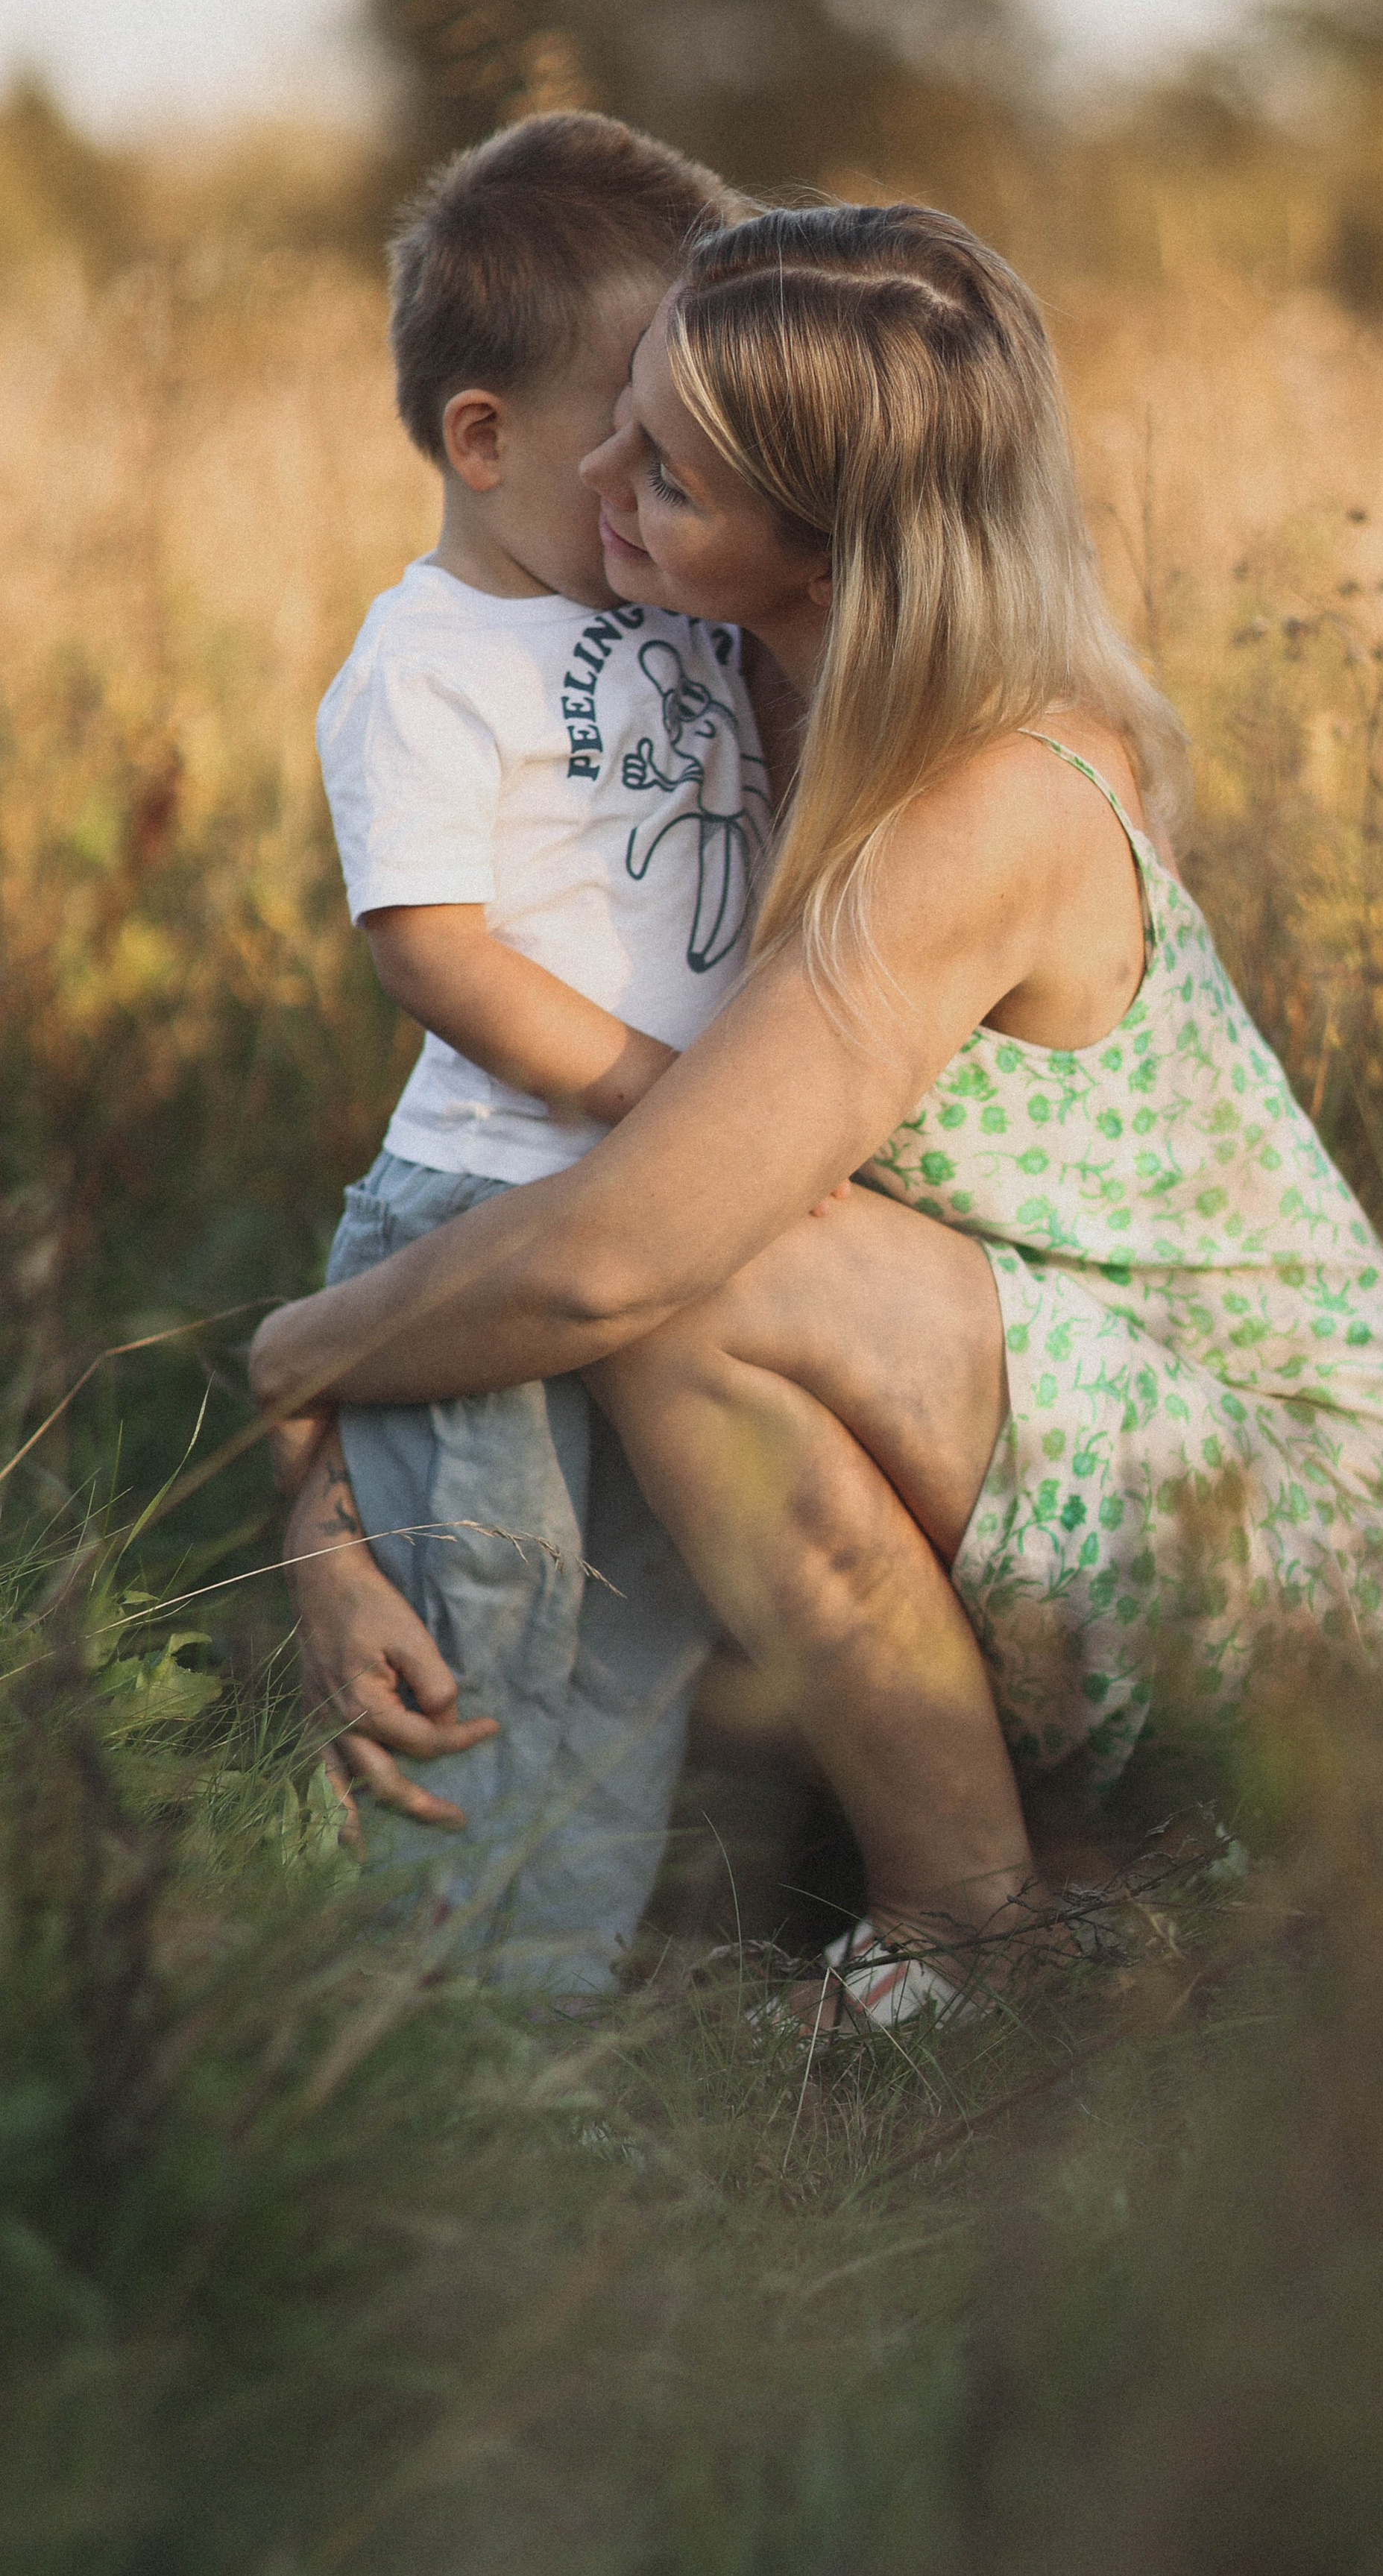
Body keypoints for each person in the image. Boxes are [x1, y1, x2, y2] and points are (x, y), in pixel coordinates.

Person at [256, 201, 1383, 2027]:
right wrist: (324, 1505)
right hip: (1015, 1409)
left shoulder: (989, 797)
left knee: (694, 1280)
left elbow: (617, 1257)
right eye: (619, 420)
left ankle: (966, 1920)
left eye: (662, 467)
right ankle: (1004, 1871)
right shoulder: (718, 671)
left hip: (1283, 1525)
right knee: (677, 1244)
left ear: (820, 550)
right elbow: (514, 1123)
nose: (599, 473)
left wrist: (291, 1366)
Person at [305, 110, 781, 1999]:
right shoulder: (425, 660)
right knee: (483, 1622)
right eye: (631, 431)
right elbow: (427, 940)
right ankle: (434, 2031)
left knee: (633, 1631)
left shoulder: (663, 606)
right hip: (500, 1202)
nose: (665, 474)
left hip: (649, 1223)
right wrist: (653, 1100)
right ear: (482, 436)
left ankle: (551, 2005)